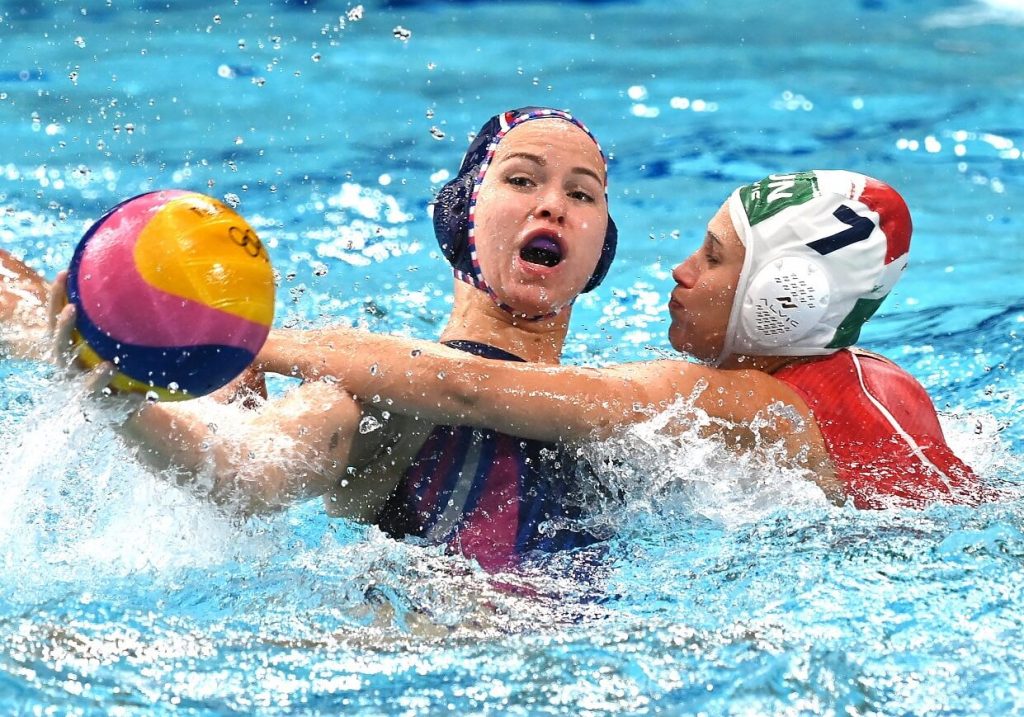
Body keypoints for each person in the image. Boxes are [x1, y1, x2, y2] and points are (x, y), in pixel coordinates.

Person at [45, 106, 620, 571]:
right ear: (461, 215)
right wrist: (126, 409)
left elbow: (469, 385)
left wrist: (245, 342)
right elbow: (245, 468)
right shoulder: (384, 403)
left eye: (582, 194)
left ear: (603, 249)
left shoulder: (632, 409)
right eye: (520, 180)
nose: (552, 205)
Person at [258, 170, 993, 510]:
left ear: (780, 300)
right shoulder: (882, 381)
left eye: (713, 257)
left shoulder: (740, 403)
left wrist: (255, 341)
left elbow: (470, 387)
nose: (681, 270)